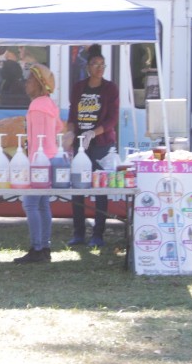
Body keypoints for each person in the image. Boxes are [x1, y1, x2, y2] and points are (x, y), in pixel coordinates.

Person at [64, 46, 120, 247]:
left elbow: (113, 119)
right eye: (95, 64)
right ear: (87, 67)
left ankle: (98, 234)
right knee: (78, 187)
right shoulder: (79, 87)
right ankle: (78, 233)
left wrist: (92, 133)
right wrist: (70, 132)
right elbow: (72, 115)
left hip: (101, 145)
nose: (99, 68)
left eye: (102, 64)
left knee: (100, 188)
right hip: (80, 146)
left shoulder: (110, 88)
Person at [14, 64, 61, 264]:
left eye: (30, 79)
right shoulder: (49, 104)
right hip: (51, 158)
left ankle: (37, 248)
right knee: (43, 205)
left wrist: (32, 162)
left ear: (40, 83)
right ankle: (45, 247)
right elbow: (58, 128)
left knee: (30, 203)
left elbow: (37, 140)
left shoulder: (37, 106)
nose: (26, 83)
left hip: (39, 160)